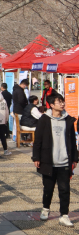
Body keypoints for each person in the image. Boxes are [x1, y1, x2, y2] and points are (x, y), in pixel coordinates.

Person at [33, 94, 78, 227]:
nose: (62, 104)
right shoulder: (44, 120)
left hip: (64, 161)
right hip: (49, 161)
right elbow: (38, 140)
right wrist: (36, 157)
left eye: (63, 101)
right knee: (48, 188)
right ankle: (45, 209)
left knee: (65, 190)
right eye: (59, 102)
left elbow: (72, 141)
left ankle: (64, 215)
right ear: (51, 105)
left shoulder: (68, 120)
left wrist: (75, 158)